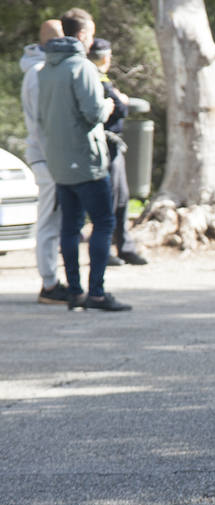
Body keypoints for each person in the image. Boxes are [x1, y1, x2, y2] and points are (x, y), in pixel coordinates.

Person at [38, 8, 130, 311]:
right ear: (81, 36)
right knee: (103, 222)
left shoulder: (47, 68)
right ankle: (97, 293)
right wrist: (109, 103)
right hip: (86, 160)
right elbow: (93, 113)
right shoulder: (81, 67)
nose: (91, 41)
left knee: (70, 226)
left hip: (59, 161)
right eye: (90, 35)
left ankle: (75, 292)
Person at [88, 38, 148, 266]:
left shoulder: (100, 78)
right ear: (106, 57)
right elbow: (120, 108)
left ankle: (124, 246)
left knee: (121, 198)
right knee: (108, 200)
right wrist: (120, 100)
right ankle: (104, 249)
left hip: (114, 146)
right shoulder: (96, 78)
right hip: (104, 147)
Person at [20, 19, 67, 304]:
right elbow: (43, 123)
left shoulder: (42, 70)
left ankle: (53, 281)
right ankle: (49, 284)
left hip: (51, 157)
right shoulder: (38, 73)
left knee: (54, 221)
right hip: (48, 158)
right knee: (49, 221)